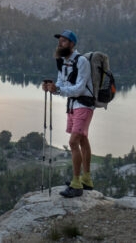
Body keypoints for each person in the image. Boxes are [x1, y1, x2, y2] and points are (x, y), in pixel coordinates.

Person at [42, 29, 94, 198]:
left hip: (84, 105)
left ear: (72, 44)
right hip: (72, 105)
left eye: (64, 41)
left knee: (73, 142)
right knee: (83, 139)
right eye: (60, 41)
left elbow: (79, 88)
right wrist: (52, 88)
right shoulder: (63, 62)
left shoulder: (82, 61)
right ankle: (87, 179)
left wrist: (59, 90)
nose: (60, 43)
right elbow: (60, 84)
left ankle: (76, 184)